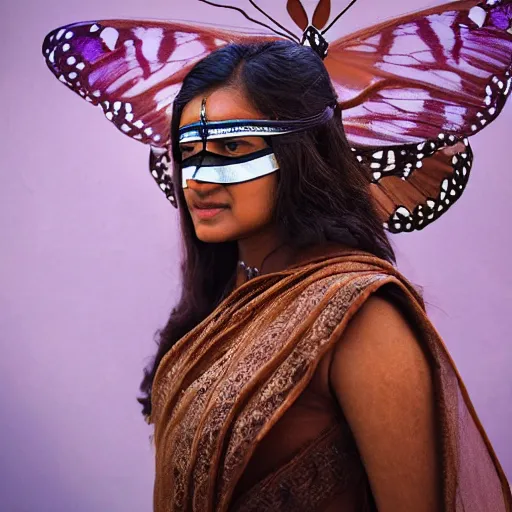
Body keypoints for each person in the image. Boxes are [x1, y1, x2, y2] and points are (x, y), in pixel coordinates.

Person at [136, 41, 512, 511]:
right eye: (189, 152)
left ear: (300, 152)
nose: (198, 180)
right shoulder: (221, 299)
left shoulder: (360, 317)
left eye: (231, 146)